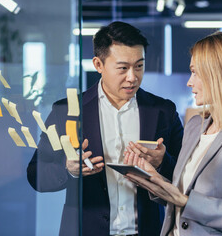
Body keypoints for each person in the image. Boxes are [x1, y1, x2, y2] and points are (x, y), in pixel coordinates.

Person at [27, 21, 183, 236]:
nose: (133, 77)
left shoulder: (163, 111)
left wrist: (162, 161)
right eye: (123, 68)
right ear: (98, 65)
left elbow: (187, 178)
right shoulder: (68, 111)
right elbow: (35, 174)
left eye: (139, 66)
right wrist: (68, 169)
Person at [124, 31, 222, 236]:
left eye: (195, 72)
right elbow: (179, 200)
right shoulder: (195, 125)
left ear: (220, 75)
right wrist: (154, 180)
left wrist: (185, 201)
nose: (189, 82)